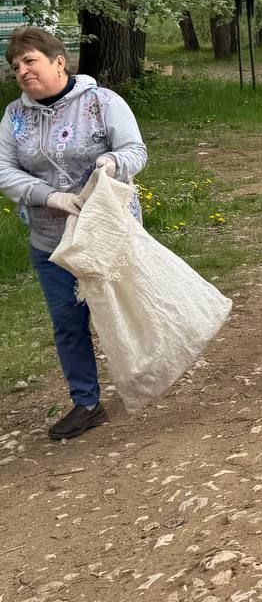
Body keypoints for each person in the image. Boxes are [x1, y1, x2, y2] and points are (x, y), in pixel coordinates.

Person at [0, 26, 148, 440]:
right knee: (68, 321)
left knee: (123, 311)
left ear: (58, 61)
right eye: (16, 66)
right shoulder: (14, 117)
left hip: (108, 232)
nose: (22, 71)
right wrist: (50, 197)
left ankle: (146, 375)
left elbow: (136, 151)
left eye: (30, 61)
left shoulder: (102, 102)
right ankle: (86, 402)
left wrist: (113, 163)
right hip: (51, 240)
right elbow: (4, 171)